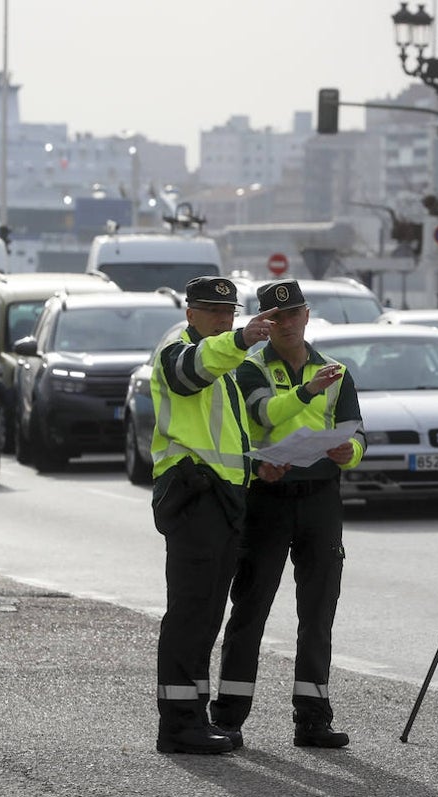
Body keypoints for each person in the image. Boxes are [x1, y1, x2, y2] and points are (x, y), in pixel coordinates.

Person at [210, 279, 366, 749]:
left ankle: (312, 719)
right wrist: (305, 393)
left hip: (320, 496)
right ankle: (230, 716)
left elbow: (358, 433)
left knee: (318, 612)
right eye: (275, 318)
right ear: (264, 322)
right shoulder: (252, 367)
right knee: (251, 608)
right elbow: (265, 417)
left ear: (306, 314)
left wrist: (348, 452)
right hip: (268, 497)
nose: (286, 324)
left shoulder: (334, 371)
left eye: (293, 314)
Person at [151, 275, 281, 755]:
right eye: (211, 311)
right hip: (193, 495)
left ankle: (193, 718)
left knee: (206, 614)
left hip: (222, 495)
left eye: (229, 313)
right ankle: (178, 726)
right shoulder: (180, 348)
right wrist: (242, 338)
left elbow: (225, 433)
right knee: (190, 613)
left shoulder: (224, 358)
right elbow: (190, 374)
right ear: (189, 312)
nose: (222, 320)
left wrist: (256, 462)